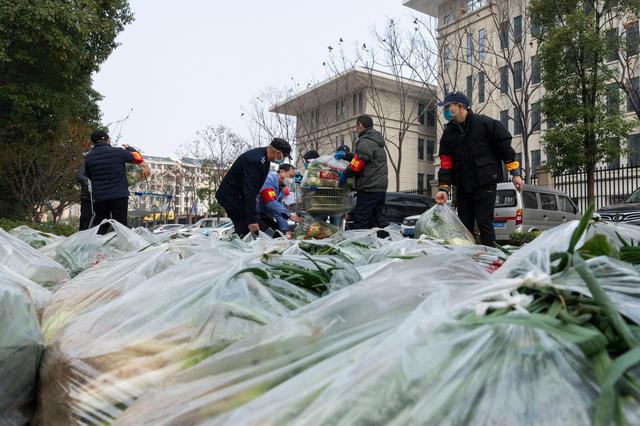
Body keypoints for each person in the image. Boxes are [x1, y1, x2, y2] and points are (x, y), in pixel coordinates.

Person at [434, 91, 524, 247]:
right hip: (463, 186)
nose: (446, 111)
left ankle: (490, 258)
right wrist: (443, 188)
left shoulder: (485, 124)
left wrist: (515, 173)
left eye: (449, 107)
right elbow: (446, 163)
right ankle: (468, 259)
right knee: (465, 224)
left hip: (486, 182)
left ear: (461, 106)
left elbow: (504, 148)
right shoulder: (448, 133)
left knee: (484, 222)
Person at [216, 138, 292, 238]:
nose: (284, 159)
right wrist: (252, 220)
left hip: (239, 196)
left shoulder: (264, 160)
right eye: (284, 156)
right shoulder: (255, 160)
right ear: (278, 152)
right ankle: (241, 248)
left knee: (255, 227)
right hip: (231, 197)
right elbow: (250, 191)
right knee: (247, 227)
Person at [84, 130, 145, 234]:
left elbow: (89, 175)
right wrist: (128, 148)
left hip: (100, 197)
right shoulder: (119, 152)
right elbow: (139, 159)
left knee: (102, 225)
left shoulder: (88, 157)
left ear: (93, 142)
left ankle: (99, 248)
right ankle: (122, 247)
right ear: (108, 140)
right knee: (121, 225)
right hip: (119, 195)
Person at [337, 114, 388, 230]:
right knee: (375, 222)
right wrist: (346, 155)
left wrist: (345, 174)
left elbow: (357, 164)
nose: (356, 129)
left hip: (369, 188)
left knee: (361, 220)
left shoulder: (365, 141)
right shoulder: (375, 141)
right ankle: (378, 245)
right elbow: (363, 158)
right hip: (380, 188)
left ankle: (360, 246)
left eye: (356, 126)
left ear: (360, 125)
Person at [256, 164, 303, 238]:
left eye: (293, 177)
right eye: (290, 176)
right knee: (270, 235)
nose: (291, 180)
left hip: (264, 216)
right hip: (253, 215)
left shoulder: (281, 189)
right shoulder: (268, 180)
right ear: (281, 172)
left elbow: (278, 212)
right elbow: (270, 202)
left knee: (280, 235)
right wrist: (289, 216)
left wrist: (285, 230)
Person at [76, 156, 94, 230]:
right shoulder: (87, 161)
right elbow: (79, 175)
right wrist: (89, 181)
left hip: (100, 196)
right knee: (86, 219)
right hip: (87, 196)